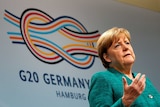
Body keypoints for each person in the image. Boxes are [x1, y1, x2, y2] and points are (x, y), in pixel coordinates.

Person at [88, 27, 160, 107]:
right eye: (117, 45)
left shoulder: (145, 82)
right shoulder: (102, 78)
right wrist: (125, 101)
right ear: (107, 57)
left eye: (127, 43)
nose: (126, 48)